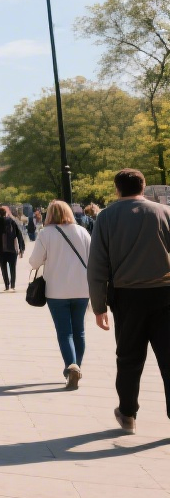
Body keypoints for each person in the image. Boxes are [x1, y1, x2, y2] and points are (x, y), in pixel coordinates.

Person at [89, 169, 170, 434]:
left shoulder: (106, 216)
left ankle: (127, 413)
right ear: (143, 187)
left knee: (128, 357)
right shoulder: (164, 212)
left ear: (117, 188)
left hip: (127, 296)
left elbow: (98, 264)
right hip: (165, 292)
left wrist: (99, 306)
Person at [29, 200, 92, 389]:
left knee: (65, 333)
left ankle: (71, 367)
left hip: (56, 290)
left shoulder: (45, 233)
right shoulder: (82, 231)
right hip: (82, 288)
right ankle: (77, 367)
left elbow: (34, 262)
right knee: (79, 331)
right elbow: (93, 258)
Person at [0, 206, 26, 292]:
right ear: (6, 213)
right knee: (13, 268)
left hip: (0, 249)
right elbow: (19, 234)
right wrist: (21, 248)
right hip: (11, 248)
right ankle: (13, 285)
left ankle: (7, 285)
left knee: (3, 268)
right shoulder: (11, 221)